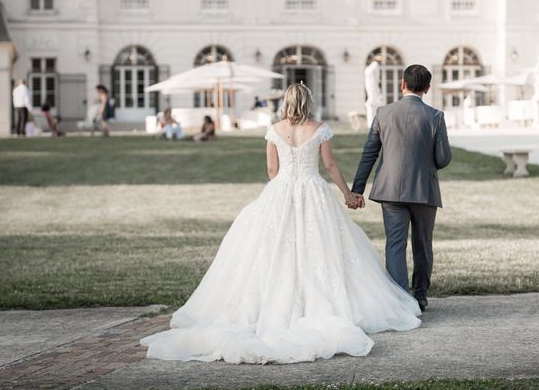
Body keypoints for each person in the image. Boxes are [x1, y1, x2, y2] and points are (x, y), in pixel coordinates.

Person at [140, 82, 421, 364]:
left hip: (281, 190)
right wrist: (347, 194)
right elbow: (330, 165)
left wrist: (283, 193)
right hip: (313, 190)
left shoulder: (274, 130)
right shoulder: (319, 128)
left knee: (273, 249)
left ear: (286, 102)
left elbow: (272, 170)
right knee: (324, 249)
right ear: (308, 101)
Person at [351, 64, 452, 312]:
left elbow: (369, 154)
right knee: (423, 244)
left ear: (402, 84)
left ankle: (399, 299)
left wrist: (358, 188)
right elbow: (443, 158)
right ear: (427, 88)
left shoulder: (383, 113)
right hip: (424, 190)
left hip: (390, 190)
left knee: (395, 244)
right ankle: (419, 295)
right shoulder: (435, 116)